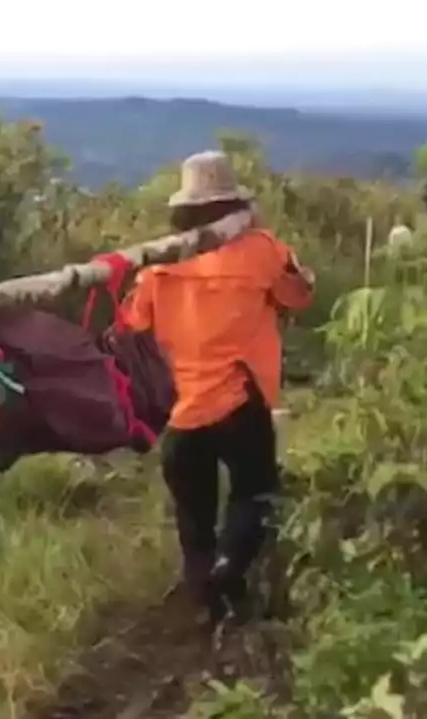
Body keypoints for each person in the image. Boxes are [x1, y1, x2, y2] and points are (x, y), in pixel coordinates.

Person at [124, 151, 314, 623]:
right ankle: (230, 568)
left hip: (182, 413)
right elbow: (299, 295)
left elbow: (130, 325)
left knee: (194, 515)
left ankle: (204, 598)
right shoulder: (262, 250)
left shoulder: (156, 271)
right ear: (233, 207)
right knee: (254, 490)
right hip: (240, 402)